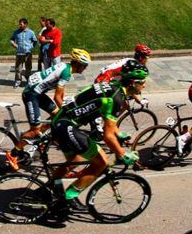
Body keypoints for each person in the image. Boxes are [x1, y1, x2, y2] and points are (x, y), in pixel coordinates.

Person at [50, 63, 148, 210]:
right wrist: (123, 154)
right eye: (143, 82)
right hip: (66, 126)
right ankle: (68, 197)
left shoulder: (113, 85)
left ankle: (49, 187)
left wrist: (118, 133)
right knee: (101, 162)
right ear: (133, 83)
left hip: (60, 121)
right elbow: (107, 136)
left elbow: (110, 123)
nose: (144, 86)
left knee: (74, 161)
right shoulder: (117, 98)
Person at [7, 48, 91, 170]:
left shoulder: (66, 67)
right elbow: (57, 97)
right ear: (78, 64)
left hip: (38, 93)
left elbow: (60, 92)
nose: (85, 68)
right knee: (35, 130)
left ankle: (38, 134)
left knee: (56, 115)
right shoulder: (67, 72)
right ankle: (13, 153)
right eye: (84, 65)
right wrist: (67, 111)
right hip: (31, 95)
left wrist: (64, 107)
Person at [10, 18, 38, 88]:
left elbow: (35, 41)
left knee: (28, 67)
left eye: (21, 24)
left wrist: (30, 47)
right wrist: (14, 44)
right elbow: (11, 39)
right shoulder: (16, 32)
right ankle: (18, 81)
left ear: (25, 24)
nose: (20, 25)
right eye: (19, 24)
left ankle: (28, 80)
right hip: (19, 53)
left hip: (28, 53)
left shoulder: (31, 32)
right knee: (18, 68)